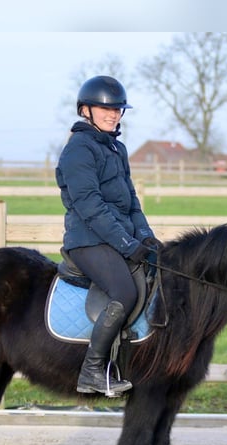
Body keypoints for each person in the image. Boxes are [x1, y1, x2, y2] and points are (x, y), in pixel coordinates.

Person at [55, 75, 162, 397]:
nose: (113, 114)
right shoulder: (78, 151)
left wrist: (146, 237)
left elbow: (131, 201)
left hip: (116, 238)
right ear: (85, 110)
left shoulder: (117, 149)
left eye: (117, 109)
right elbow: (91, 207)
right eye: (105, 108)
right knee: (124, 293)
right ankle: (92, 371)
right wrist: (127, 245)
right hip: (87, 241)